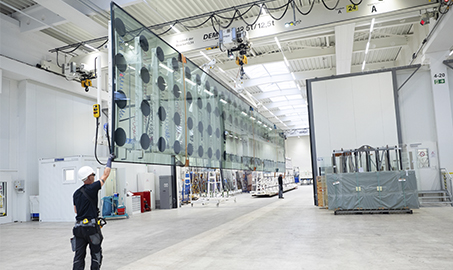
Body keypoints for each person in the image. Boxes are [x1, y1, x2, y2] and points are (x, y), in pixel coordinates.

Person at [72, 154, 114, 270]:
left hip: (78, 229)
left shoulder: (76, 193)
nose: (94, 177)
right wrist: (109, 160)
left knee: (78, 256)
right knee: (96, 253)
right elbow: (105, 175)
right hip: (91, 228)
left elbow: (76, 210)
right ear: (88, 177)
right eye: (93, 175)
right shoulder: (92, 188)